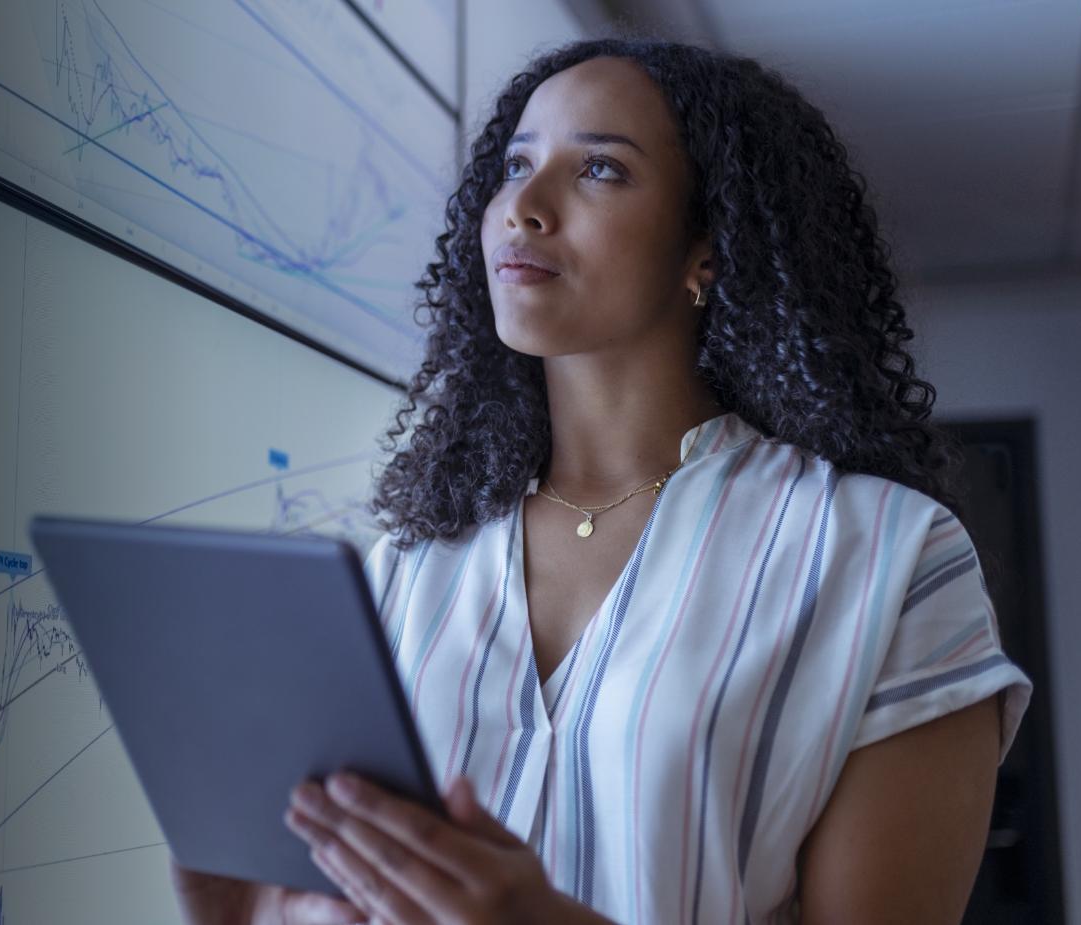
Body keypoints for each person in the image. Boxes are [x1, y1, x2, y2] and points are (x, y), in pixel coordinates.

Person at [171, 37, 1033, 925]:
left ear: (707, 246)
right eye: (515, 164)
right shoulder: (407, 567)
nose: (524, 207)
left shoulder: (887, 558)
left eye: (600, 171)